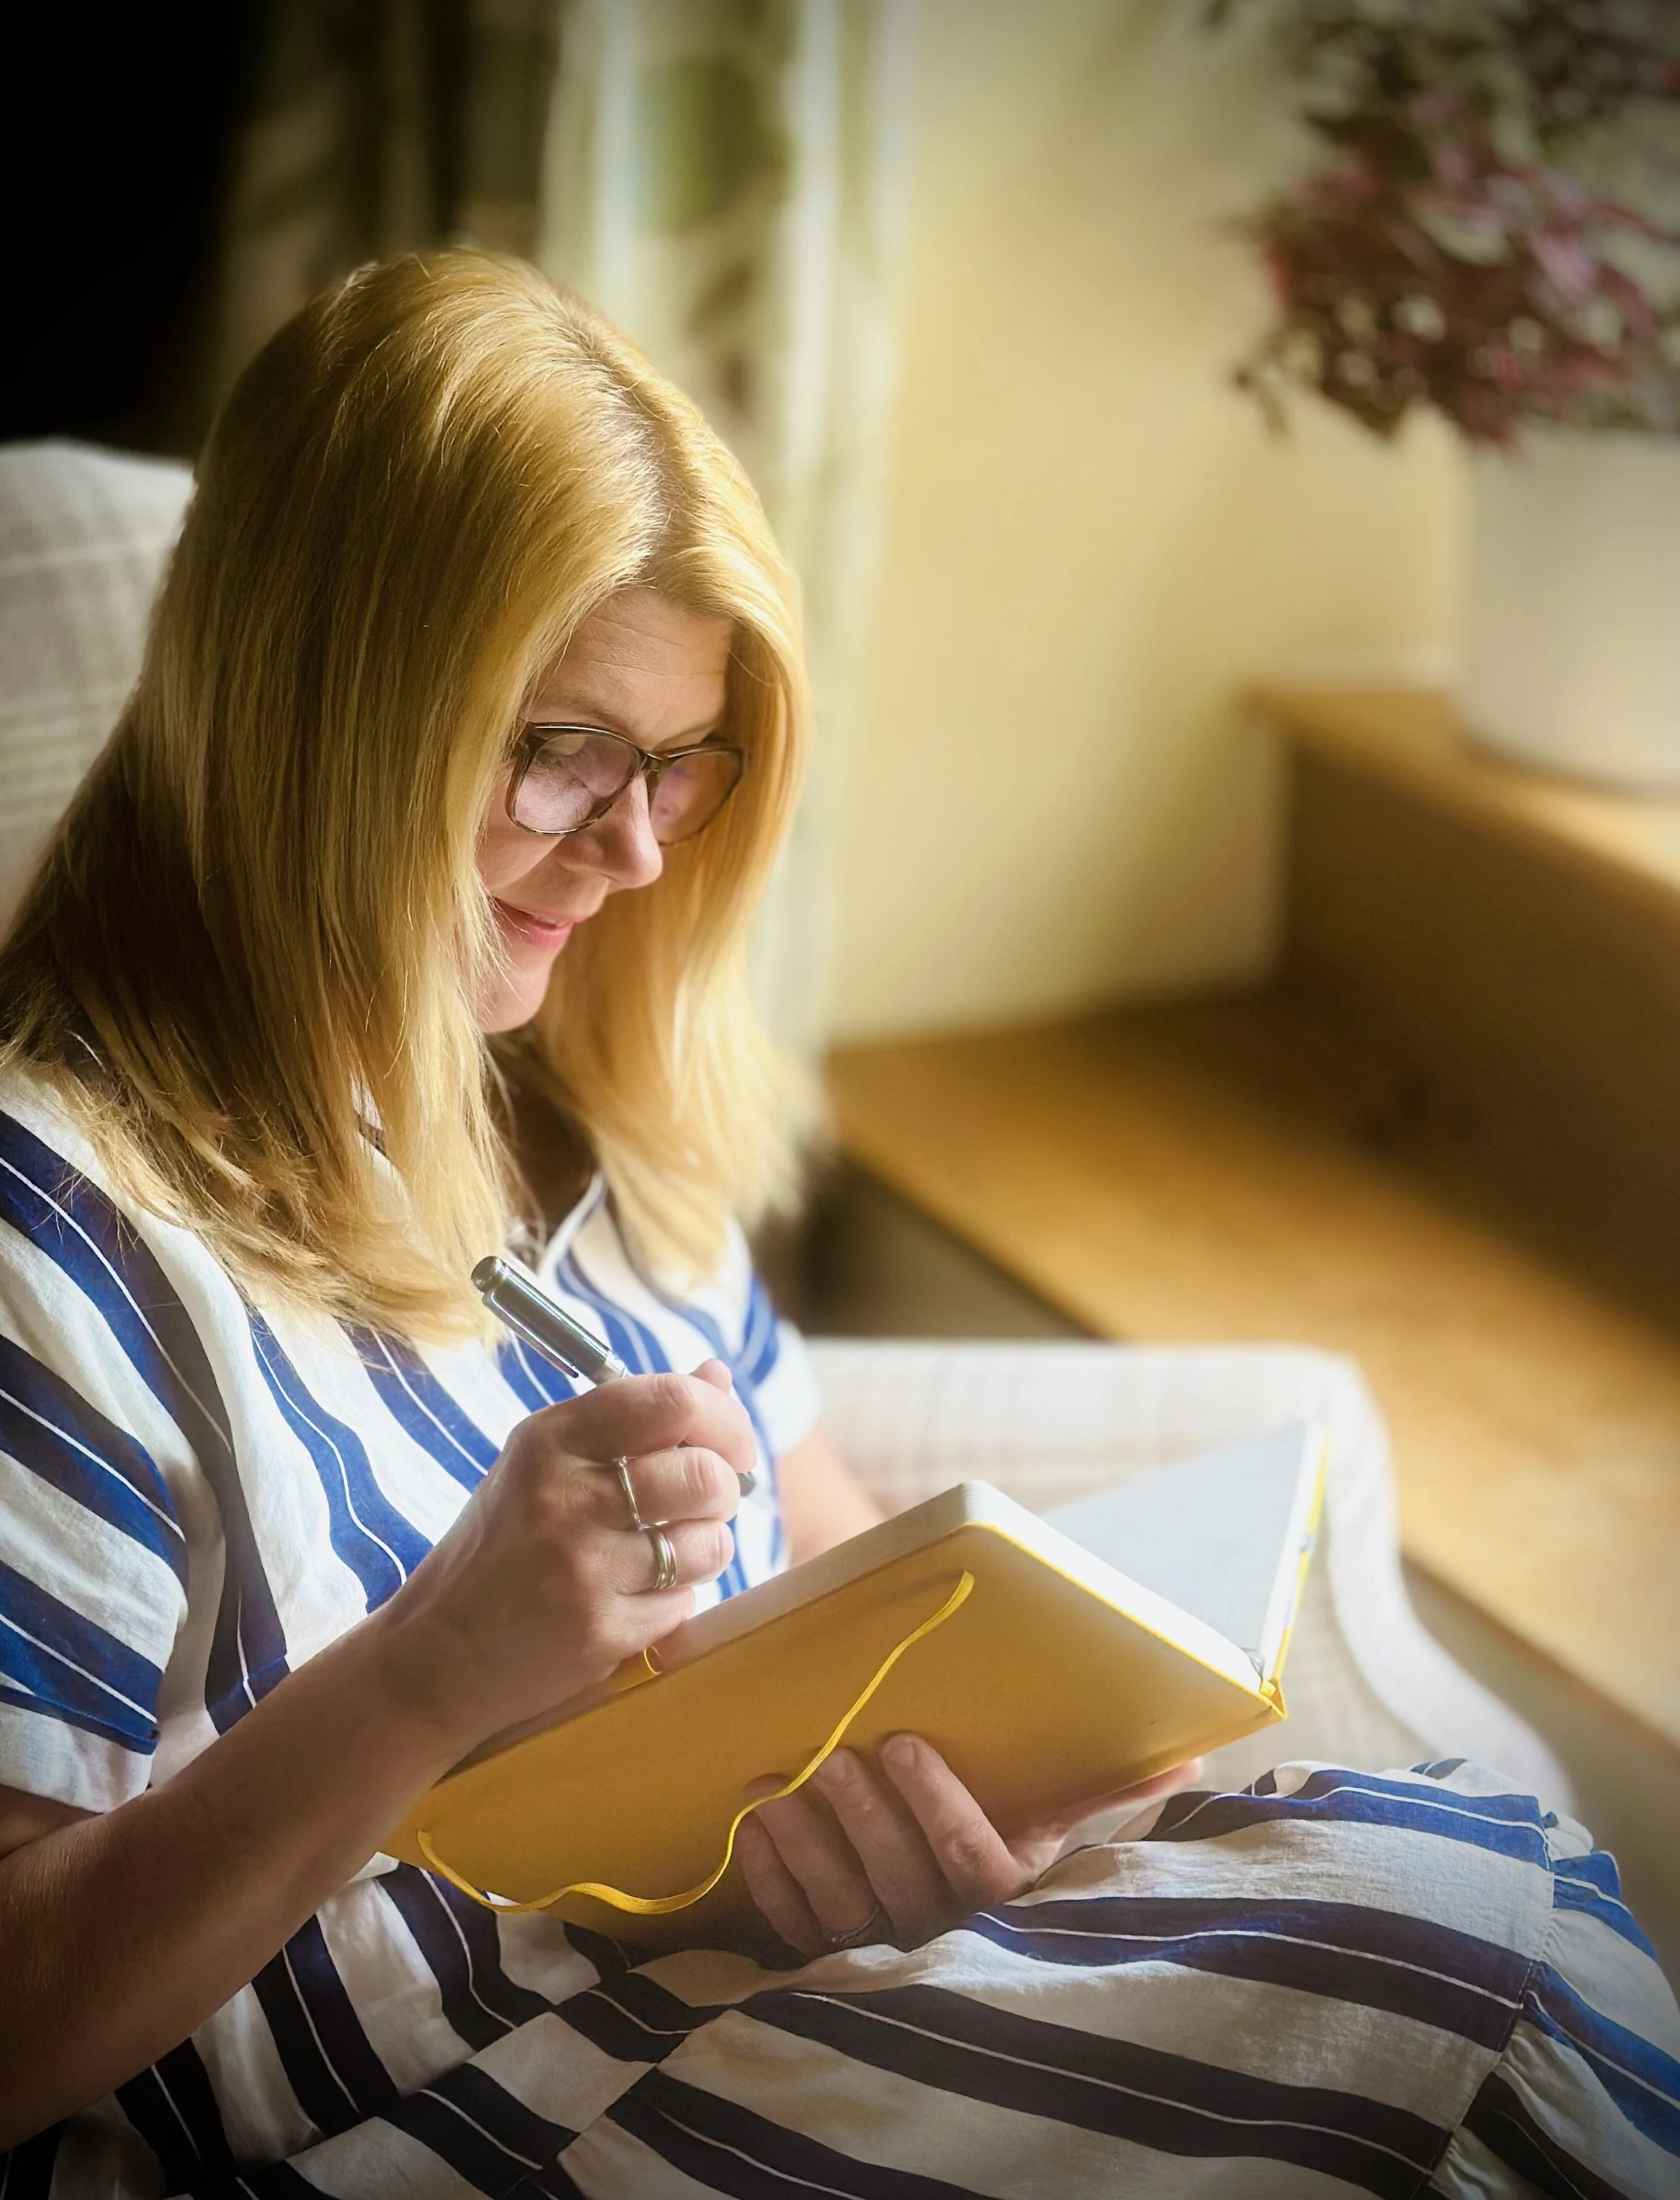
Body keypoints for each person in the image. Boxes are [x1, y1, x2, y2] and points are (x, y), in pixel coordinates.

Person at [0, 253, 1673, 2200]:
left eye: (682, 763)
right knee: (1449, 1948)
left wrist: (959, 1798)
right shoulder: (55, 1227)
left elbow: (853, 1566)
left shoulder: (573, 1113)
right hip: (427, 2125)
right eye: (563, 745)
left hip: (712, 2006)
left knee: (1471, 1871)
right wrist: (429, 1672)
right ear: (321, 713)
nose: (634, 850)